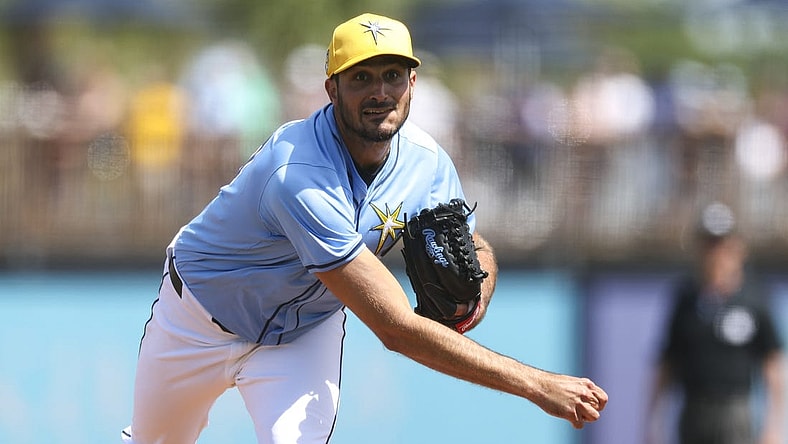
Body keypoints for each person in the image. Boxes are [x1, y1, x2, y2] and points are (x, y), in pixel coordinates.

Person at [121, 12, 607, 444]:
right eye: (362, 78)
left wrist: (480, 282)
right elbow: (395, 329)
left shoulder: (427, 163)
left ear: (413, 84)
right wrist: (535, 384)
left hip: (302, 333)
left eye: (393, 75)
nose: (380, 92)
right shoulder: (298, 172)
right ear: (332, 89)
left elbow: (473, 243)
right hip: (198, 320)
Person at [647, 204, 784, 444]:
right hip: (693, 410)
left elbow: (772, 365)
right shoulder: (686, 298)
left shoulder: (753, 298)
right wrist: (652, 421)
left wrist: (774, 426)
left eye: (721, 243)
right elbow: (667, 362)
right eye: (708, 244)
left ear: (737, 247)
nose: (715, 253)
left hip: (735, 411)